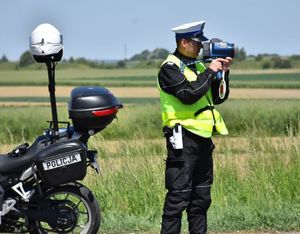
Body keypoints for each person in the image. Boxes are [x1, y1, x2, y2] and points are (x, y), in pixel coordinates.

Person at [157, 21, 233, 234]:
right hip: (182, 138)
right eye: (197, 43)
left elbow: (217, 99)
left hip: (203, 138)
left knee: (201, 197)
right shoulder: (169, 68)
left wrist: (223, 74)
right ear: (183, 42)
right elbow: (189, 95)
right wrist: (209, 71)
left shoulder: (200, 67)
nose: (201, 47)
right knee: (178, 196)